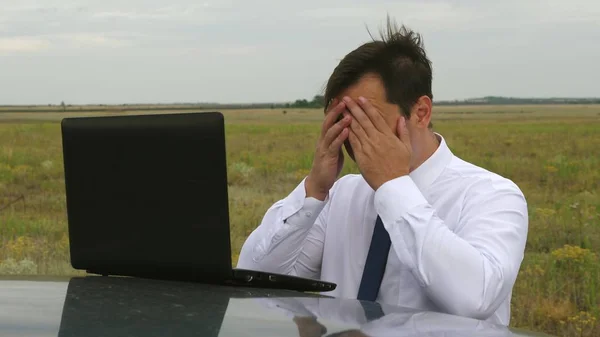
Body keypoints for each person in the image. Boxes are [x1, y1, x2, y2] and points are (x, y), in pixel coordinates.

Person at [237, 17, 528, 327]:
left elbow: (475, 298)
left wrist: (393, 186)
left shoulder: (493, 196)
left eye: (368, 117)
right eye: (342, 119)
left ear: (421, 112)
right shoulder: (341, 195)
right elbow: (257, 279)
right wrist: (314, 190)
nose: (353, 133)